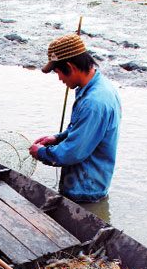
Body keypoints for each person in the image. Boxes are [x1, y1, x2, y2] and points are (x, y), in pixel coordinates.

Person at [30, 34, 122, 210]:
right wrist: (57, 138)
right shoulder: (97, 87)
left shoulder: (95, 102)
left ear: (70, 67)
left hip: (85, 191)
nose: (60, 79)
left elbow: (73, 152)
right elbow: (83, 131)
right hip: (90, 182)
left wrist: (41, 153)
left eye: (58, 72)